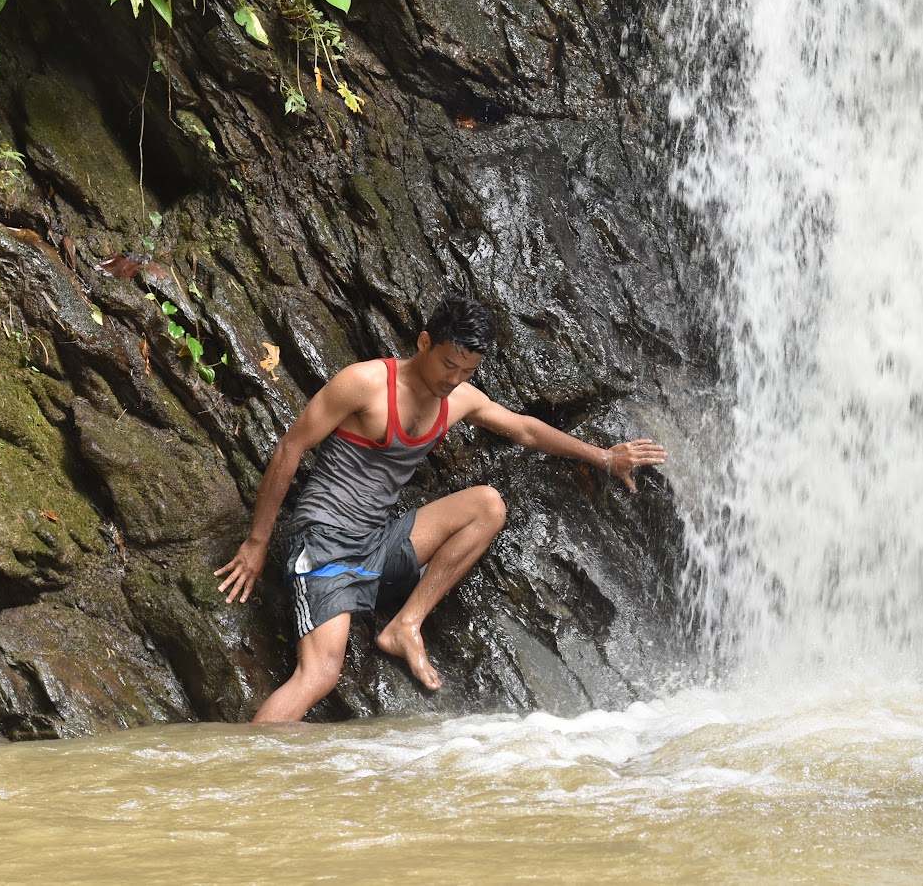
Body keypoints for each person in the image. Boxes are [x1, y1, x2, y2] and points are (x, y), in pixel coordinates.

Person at [215, 294, 667, 723]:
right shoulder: (365, 383)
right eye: (449, 364)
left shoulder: (459, 399)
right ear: (424, 342)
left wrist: (605, 458)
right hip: (324, 543)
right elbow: (290, 449)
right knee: (320, 675)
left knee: (488, 505)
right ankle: (251, 761)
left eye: (467, 371)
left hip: (378, 544)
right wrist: (257, 543)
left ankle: (405, 625)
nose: (454, 379)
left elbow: (525, 430)